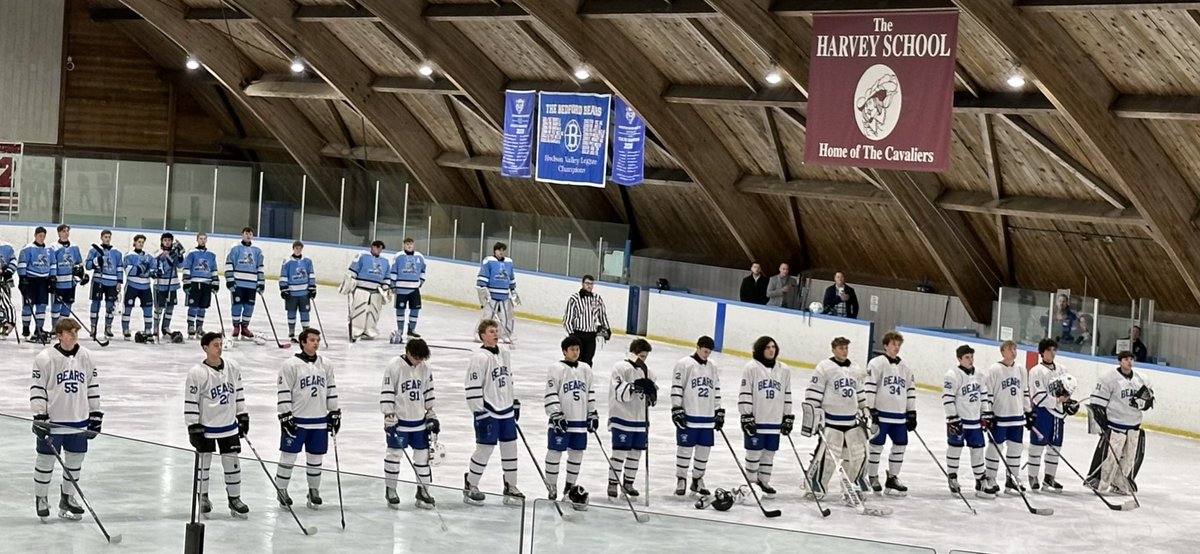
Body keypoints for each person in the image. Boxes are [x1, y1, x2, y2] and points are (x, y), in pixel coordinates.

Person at [30, 318, 102, 521]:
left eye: (75, 332)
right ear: (59, 335)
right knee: (45, 461)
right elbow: (37, 389)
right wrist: (39, 416)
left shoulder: (86, 356)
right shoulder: (45, 358)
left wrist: (95, 414)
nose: (74, 336)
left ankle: (67, 497)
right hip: (53, 421)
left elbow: (92, 386)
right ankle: (41, 498)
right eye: (69, 332)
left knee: (75, 461)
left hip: (79, 420)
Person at [185, 332, 250, 518]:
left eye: (221, 344)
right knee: (204, 464)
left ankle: (234, 498)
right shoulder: (197, 373)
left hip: (228, 426)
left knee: (232, 463)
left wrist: (243, 415)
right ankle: (203, 496)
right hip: (207, 427)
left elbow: (238, 393)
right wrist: (193, 426)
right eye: (215, 345)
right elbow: (191, 401)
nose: (220, 348)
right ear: (205, 348)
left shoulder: (232, 367)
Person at [275, 328, 338, 510]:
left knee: (316, 457)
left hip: (319, 420)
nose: (316, 343)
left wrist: (334, 411)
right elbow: (284, 390)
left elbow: (331, 388)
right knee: (288, 457)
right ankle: (282, 490)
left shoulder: (326, 364)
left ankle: (313, 490)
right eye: (312, 340)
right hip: (297, 420)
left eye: (317, 340)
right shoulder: (290, 365)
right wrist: (285, 414)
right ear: (303, 342)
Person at [463, 319, 523, 506]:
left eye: (496, 331)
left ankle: (510, 485)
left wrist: (513, 402)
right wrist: (478, 411)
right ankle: (471, 484)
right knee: (485, 449)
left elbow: (508, 379)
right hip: (488, 410)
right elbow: (472, 386)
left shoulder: (504, 353)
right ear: (482, 335)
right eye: (491, 331)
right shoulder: (479, 358)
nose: (496, 334)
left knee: (510, 448)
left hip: (505, 411)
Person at [803, 336, 867, 500]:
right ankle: (815, 485)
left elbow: (860, 394)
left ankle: (850, 487)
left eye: (846, 348)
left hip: (851, 423)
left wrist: (865, 410)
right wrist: (815, 416)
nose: (844, 351)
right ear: (833, 349)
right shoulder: (824, 367)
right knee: (827, 457)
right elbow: (813, 394)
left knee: (854, 457)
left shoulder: (855, 368)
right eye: (840, 348)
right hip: (831, 422)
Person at [381, 338, 438, 509]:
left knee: (423, 457)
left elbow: (428, 392)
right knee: (394, 455)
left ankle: (423, 490)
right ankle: (391, 489)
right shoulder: (394, 366)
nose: (418, 361)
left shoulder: (425, 367)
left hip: (419, 422)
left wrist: (431, 413)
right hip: (400, 421)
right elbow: (388, 391)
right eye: (416, 357)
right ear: (408, 352)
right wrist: (389, 415)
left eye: (421, 358)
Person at [1087, 351, 1154, 495]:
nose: (1129, 362)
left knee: (1128, 460)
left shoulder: (1141, 379)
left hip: (1134, 426)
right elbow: (1097, 404)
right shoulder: (1108, 378)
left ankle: (1120, 484)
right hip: (1115, 426)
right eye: (1125, 359)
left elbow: (1149, 400)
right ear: (1119, 361)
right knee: (1110, 459)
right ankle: (1100, 485)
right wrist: (1103, 427)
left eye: (1131, 359)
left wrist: (1142, 403)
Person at [544, 335, 597, 510]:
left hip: (580, 421)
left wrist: (592, 413)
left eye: (577, 349)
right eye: (572, 349)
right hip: (562, 420)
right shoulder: (556, 368)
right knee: (555, 452)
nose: (575, 352)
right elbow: (551, 391)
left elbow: (590, 392)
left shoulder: (586, 369)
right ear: (564, 351)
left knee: (577, 454)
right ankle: (551, 487)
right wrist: (555, 414)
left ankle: (569, 488)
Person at [739, 336, 793, 499]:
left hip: (775, 420)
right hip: (758, 418)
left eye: (774, 347)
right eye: (768, 347)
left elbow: (787, 394)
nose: (771, 350)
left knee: (769, 453)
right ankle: (750, 483)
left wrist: (788, 415)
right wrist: (746, 414)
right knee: (754, 453)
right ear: (761, 349)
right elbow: (745, 392)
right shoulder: (751, 368)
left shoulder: (784, 370)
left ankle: (764, 481)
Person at [864, 331, 916, 496]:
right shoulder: (876, 364)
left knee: (900, 445)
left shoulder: (905, 367)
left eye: (898, 344)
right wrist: (870, 409)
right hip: (881, 414)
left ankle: (892, 477)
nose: (896, 347)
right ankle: (872, 476)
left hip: (899, 416)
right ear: (885, 345)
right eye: (893, 344)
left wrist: (912, 411)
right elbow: (870, 387)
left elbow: (910, 390)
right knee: (876, 446)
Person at [671, 335, 723, 497]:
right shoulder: (684, 364)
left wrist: (718, 410)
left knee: (704, 450)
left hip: (707, 417)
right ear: (698, 347)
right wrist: (676, 408)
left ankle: (697, 480)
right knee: (685, 449)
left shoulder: (712, 366)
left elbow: (716, 389)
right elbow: (677, 387)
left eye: (709, 352)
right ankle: (681, 479)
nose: (706, 355)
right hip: (690, 414)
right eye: (704, 351)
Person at [607, 338, 656, 500]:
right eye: (641, 356)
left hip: (640, 419)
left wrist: (652, 394)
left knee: (636, 453)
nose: (643, 359)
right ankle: (613, 483)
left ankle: (628, 483)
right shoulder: (620, 367)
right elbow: (618, 391)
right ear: (634, 353)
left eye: (645, 356)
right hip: (622, 416)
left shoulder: (649, 372)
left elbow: (651, 396)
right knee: (619, 452)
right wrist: (634, 387)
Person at [982, 340, 1033, 495]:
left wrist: (1028, 411)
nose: (1013, 352)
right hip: (1000, 416)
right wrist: (987, 413)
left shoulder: (1021, 370)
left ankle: (1012, 479)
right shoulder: (994, 370)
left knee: (1016, 448)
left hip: (1017, 417)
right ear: (1002, 351)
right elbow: (988, 392)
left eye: (1015, 349)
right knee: (995, 447)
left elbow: (1024, 391)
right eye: (1010, 349)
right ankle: (991, 477)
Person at [1027, 338, 1078, 492]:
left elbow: (1068, 389)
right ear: (1042, 353)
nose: (1052, 353)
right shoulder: (1036, 371)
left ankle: (1049, 478)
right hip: (1042, 413)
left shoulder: (1062, 369)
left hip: (1058, 415)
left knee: (1055, 447)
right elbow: (1037, 397)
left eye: (1054, 350)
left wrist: (1068, 402)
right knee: (1037, 446)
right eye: (1048, 350)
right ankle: (1033, 476)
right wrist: (1056, 400)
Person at [942, 344, 993, 498]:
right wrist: (953, 418)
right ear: (959, 359)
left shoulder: (980, 375)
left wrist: (986, 414)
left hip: (975, 422)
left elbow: (983, 396)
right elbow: (948, 398)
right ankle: (952, 478)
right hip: (959, 421)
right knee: (955, 449)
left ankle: (980, 481)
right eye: (967, 357)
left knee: (977, 450)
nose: (970, 360)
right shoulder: (952, 375)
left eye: (971, 357)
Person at [342, 240, 389, 341]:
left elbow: (386, 277)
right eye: (377, 247)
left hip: (376, 290)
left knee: (374, 311)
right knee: (359, 309)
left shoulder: (385, 261)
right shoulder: (362, 256)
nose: (379, 250)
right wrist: (349, 283)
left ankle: (369, 330)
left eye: (380, 248)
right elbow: (353, 271)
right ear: (372, 247)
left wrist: (386, 288)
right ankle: (356, 330)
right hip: (361, 289)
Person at [225, 227, 265, 341]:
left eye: (250, 234)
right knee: (237, 306)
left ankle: (245, 328)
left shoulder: (257, 251)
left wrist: (261, 282)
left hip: (251, 284)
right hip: (238, 283)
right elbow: (229, 264)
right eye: (246, 233)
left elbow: (260, 268)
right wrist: (230, 280)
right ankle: (236, 327)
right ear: (242, 234)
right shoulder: (235, 248)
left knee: (249, 307)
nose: (248, 235)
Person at [562, 274, 611, 367]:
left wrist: (607, 329)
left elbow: (602, 315)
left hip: (591, 335)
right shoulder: (574, 299)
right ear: (582, 284)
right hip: (578, 334)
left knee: (588, 361)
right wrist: (571, 335)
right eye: (587, 283)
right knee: (575, 360)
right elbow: (568, 319)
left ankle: (585, 380)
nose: (589, 286)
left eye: (591, 284)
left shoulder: (597, 298)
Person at [18, 226, 55, 342]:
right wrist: (23, 278)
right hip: (31, 281)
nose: (42, 238)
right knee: (28, 306)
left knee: (42, 306)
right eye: (40, 235)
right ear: (35, 235)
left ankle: (39, 329)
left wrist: (52, 278)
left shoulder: (49, 250)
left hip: (43, 282)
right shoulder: (27, 249)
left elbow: (53, 264)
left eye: (44, 236)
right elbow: (22, 264)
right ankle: (25, 328)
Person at [477, 242, 518, 345]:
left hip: (504, 295)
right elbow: (483, 275)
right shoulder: (489, 261)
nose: (501, 252)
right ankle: (481, 334)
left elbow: (511, 277)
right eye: (499, 250)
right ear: (495, 251)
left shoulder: (509, 262)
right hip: (492, 295)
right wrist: (483, 289)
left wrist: (513, 290)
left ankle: (504, 335)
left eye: (503, 250)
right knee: (488, 316)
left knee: (506, 316)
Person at [85, 230, 123, 340]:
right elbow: (87, 265)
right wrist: (97, 261)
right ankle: (93, 328)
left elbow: (119, 267)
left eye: (109, 237)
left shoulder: (117, 253)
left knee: (110, 306)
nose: (107, 239)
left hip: (112, 283)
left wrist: (119, 282)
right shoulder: (94, 250)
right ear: (101, 237)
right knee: (95, 304)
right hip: (98, 281)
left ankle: (108, 328)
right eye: (105, 237)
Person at [387, 237, 426, 342]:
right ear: (404, 245)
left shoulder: (419, 257)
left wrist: (421, 281)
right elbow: (393, 271)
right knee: (400, 310)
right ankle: (400, 330)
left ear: (414, 245)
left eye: (411, 244)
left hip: (414, 289)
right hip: (401, 289)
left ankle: (411, 330)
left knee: (415, 309)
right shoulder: (399, 256)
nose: (409, 246)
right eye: (407, 244)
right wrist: (393, 285)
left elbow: (423, 270)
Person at [182, 233, 219, 339]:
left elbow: (214, 270)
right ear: (197, 240)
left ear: (206, 240)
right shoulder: (192, 253)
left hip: (206, 283)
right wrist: (186, 282)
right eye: (200, 239)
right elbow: (187, 268)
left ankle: (199, 327)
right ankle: (191, 326)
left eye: (204, 239)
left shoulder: (211, 255)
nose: (202, 241)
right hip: (194, 283)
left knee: (203, 307)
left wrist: (215, 283)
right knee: (193, 306)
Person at [280, 241, 317, 343]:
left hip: (304, 293)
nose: (298, 250)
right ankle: (291, 331)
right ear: (293, 249)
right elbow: (283, 276)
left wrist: (312, 288)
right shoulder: (287, 262)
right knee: (291, 312)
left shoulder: (307, 261)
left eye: (300, 248)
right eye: (296, 248)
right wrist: (284, 289)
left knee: (305, 312)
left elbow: (311, 275)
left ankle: (306, 331)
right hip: (292, 293)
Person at [121, 234, 154, 342]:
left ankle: (148, 329)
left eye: (142, 242)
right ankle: (126, 329)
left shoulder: (149, 256)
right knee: (128, 308)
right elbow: (129, 272)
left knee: (148, 309)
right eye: (139, 241)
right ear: (134, 242)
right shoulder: (129, 255)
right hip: (132, 286)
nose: (141, 244)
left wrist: (153, 272)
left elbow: (153, 270)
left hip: (146, 286)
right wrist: (142, 269)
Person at [49, 224, 84, 328]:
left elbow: (79, 263)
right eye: (64, 231)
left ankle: (63, 328)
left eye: (67, 231)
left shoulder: (74, 247)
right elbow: (52, 264)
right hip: (59, 283)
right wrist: (52, 278)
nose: (66, 233)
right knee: (56, 306)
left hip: (70, 283)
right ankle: (55, 328)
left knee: (67, 305)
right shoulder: (53, 247)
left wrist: (82, 275)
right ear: (59, 233)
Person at [153, 233, 185, 342]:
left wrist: (179, 256)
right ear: (161, 241)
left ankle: (165, 327)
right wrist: (169, 258)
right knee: (159, 307)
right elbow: (161, 268)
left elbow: (181, 266)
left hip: (172, 285)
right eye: (165, 240)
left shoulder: (173, 253)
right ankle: (155, 327)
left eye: (169, 240)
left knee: (170, 307)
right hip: (160, 284)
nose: (167, 242)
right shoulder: (158, 252)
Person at [0, 238, 15, 337]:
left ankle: (3, 324)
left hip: (3, 282)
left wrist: (8, 271)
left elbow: (13, 261)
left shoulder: (7, 247)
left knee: (5, 303)